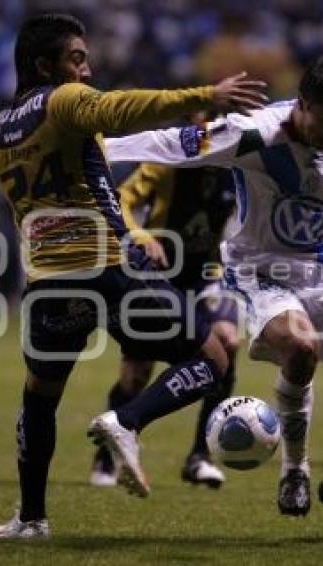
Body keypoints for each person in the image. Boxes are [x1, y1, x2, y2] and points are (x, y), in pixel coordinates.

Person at [0, 13, 268, 540]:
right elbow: (119, 109)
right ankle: (127, 422)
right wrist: (206, 93)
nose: (87, 69)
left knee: (39, 398)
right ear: (43, 66)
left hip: (49, 287)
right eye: (78, 58)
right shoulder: (64, 101)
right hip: (108, 268)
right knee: (211, 358)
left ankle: (30, 518)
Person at [105, 54, 323, 540]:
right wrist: (97, 146)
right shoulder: (254, 134)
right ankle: (295, 470)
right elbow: (172, 144)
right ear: (304, 104)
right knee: (302, 347)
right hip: (261, 270)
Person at [91, 137, 240, 489]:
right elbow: (121, 199)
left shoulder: (240, 167)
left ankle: (199, 456)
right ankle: (107, 454)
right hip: (158, 278)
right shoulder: (168, 163)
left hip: (207, 275)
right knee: (136, 375)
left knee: (228, 343)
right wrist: (141, 235)